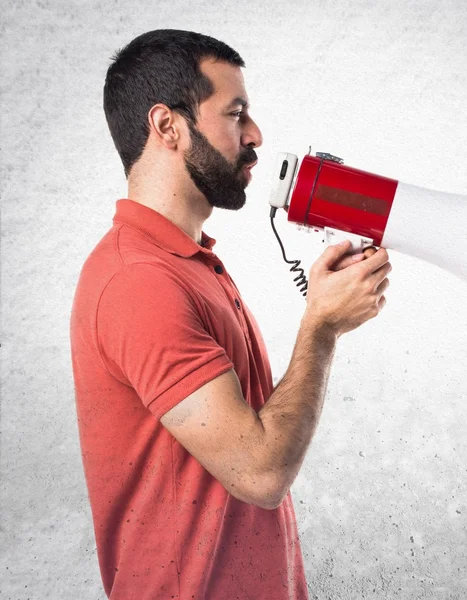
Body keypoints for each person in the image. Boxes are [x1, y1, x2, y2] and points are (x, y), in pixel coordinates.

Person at [70, 29, 391, 600]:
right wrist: (321, 327)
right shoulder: (139, 281)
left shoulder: (189, 263)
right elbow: (261, 474)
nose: (256, 135)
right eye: (235, 113)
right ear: (167, 126)